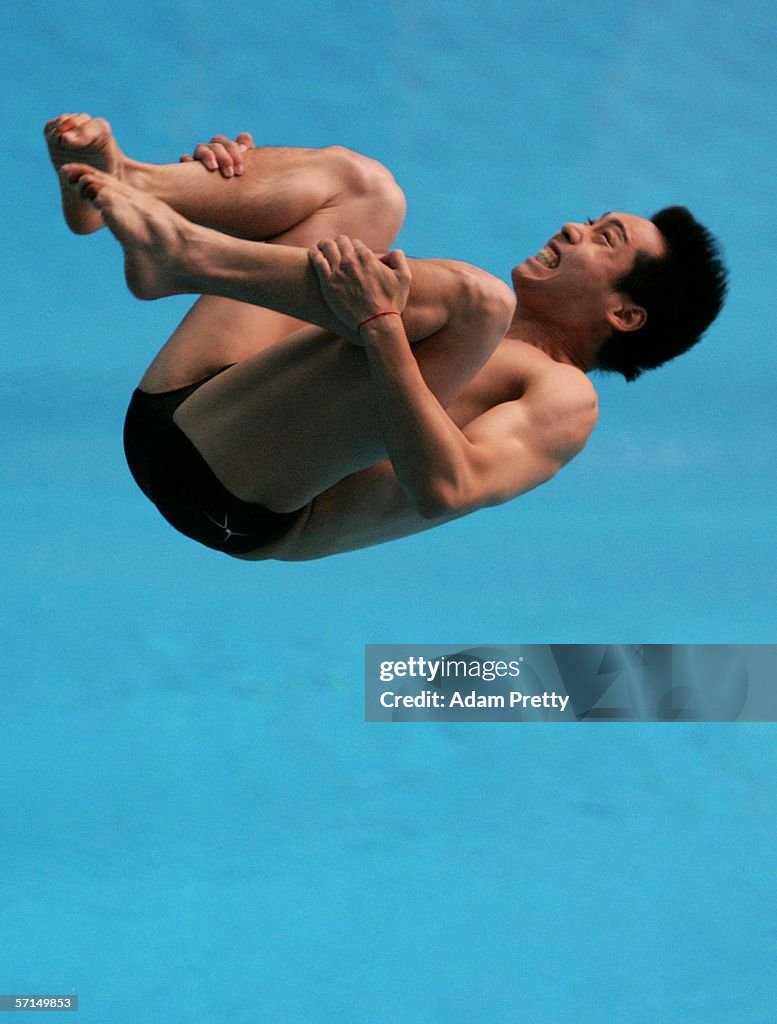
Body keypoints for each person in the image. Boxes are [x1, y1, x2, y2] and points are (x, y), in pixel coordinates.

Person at [45, 113, 727, 561]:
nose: (573, 229)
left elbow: (447, 488)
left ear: (625, 315)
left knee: (471, 299)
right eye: (589, 219)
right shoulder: (463, 325)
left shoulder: (564, 397)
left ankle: (184, 255)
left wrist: (381, 331)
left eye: (603, 240)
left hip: (233, 496)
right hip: (191, 404)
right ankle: (131, 184)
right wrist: (243, 189)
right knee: (366, 190)